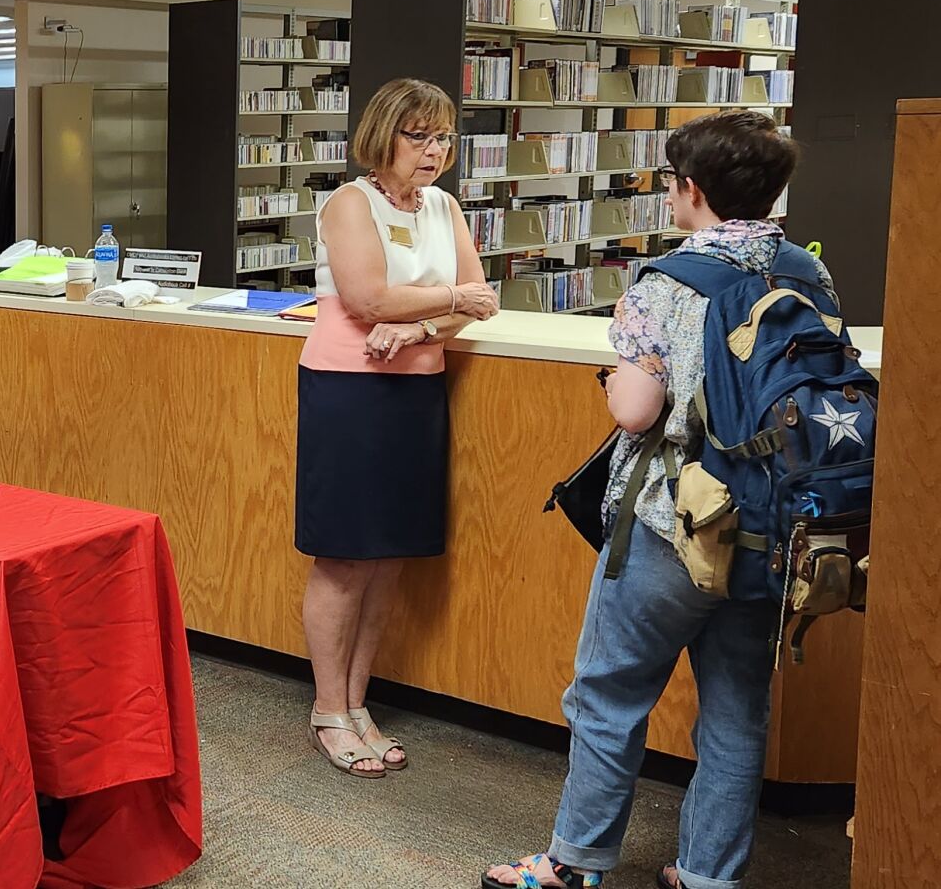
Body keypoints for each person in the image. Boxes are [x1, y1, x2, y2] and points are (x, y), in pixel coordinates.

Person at [484, 112, 819, 889]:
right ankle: (707, 876)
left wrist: (615, 383)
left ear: (690, 190)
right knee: (735, 713)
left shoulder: (667, 281)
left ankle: (575, 864)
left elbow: (637, 412)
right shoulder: (805, 270)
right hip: (772, 525)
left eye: (671, 181)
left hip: (674, 523)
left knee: (608, 695)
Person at [295, 77, 498, 777]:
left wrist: (415, 322)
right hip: (349, 390)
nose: (433, 150)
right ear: (383, 136)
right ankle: (326, 709)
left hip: (416, 390)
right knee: (344, 555)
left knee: (387, 556)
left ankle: (356, 704)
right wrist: (443, 298)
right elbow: (365, 295)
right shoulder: (350, 203)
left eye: (442, 137)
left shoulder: (443, 205)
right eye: (418, 136)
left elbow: (479, 305)